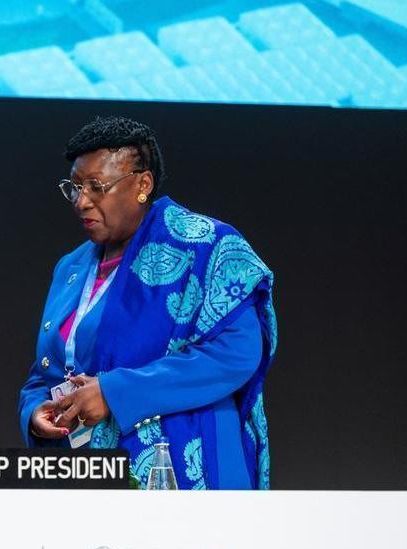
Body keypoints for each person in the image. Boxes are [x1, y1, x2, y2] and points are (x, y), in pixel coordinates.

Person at [17, 116, 277, 489]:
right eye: (73, 187)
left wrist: (113, 392)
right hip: (90, 477)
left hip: (187, 470)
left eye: (96, 186)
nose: (81, 201)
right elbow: (47, 372)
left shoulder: (207, 246)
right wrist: (35, 412)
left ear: (142, 184)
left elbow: (236, 355)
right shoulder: (70, 268)